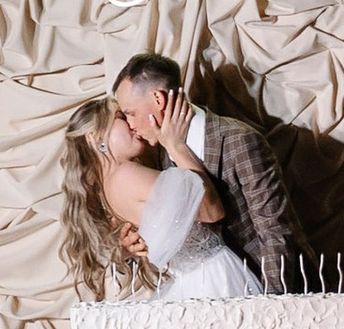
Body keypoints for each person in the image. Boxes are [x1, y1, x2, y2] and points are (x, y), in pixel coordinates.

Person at [103, 52, 298, 288]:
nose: (131, 125)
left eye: (131, 113)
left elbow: (275, 231)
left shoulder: (238, 140)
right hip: (211, 292)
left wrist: (271, 301)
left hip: (266, 287)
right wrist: (137, 246)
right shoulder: (158, 155)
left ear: (158, 99)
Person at [57, 97, 260, 303]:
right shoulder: (126, 175)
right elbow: (211, 210)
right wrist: (176, 146)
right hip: (214, 280)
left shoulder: (107, 189)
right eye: (120, 117)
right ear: (95, 137)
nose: (131, 123)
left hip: (193, 284)